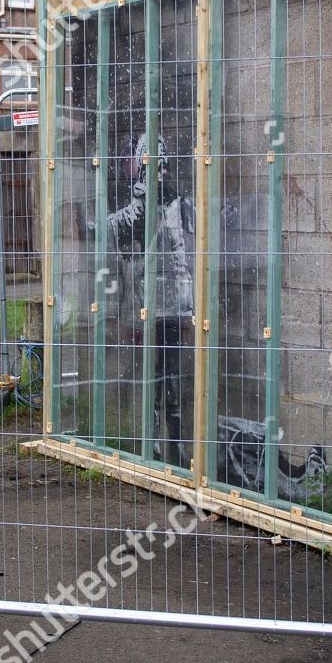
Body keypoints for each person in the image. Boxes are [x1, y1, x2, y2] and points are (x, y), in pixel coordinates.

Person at [108, 132, 194, 466]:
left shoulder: (179, 204)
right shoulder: (138, 210)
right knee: (151, 378)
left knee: (170, 380)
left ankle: (172, 447)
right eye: (152, 163)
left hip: (174, 309)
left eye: (162, 163)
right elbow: (110, 227)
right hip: (148, 309)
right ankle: (152, 447)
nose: (159, 170)